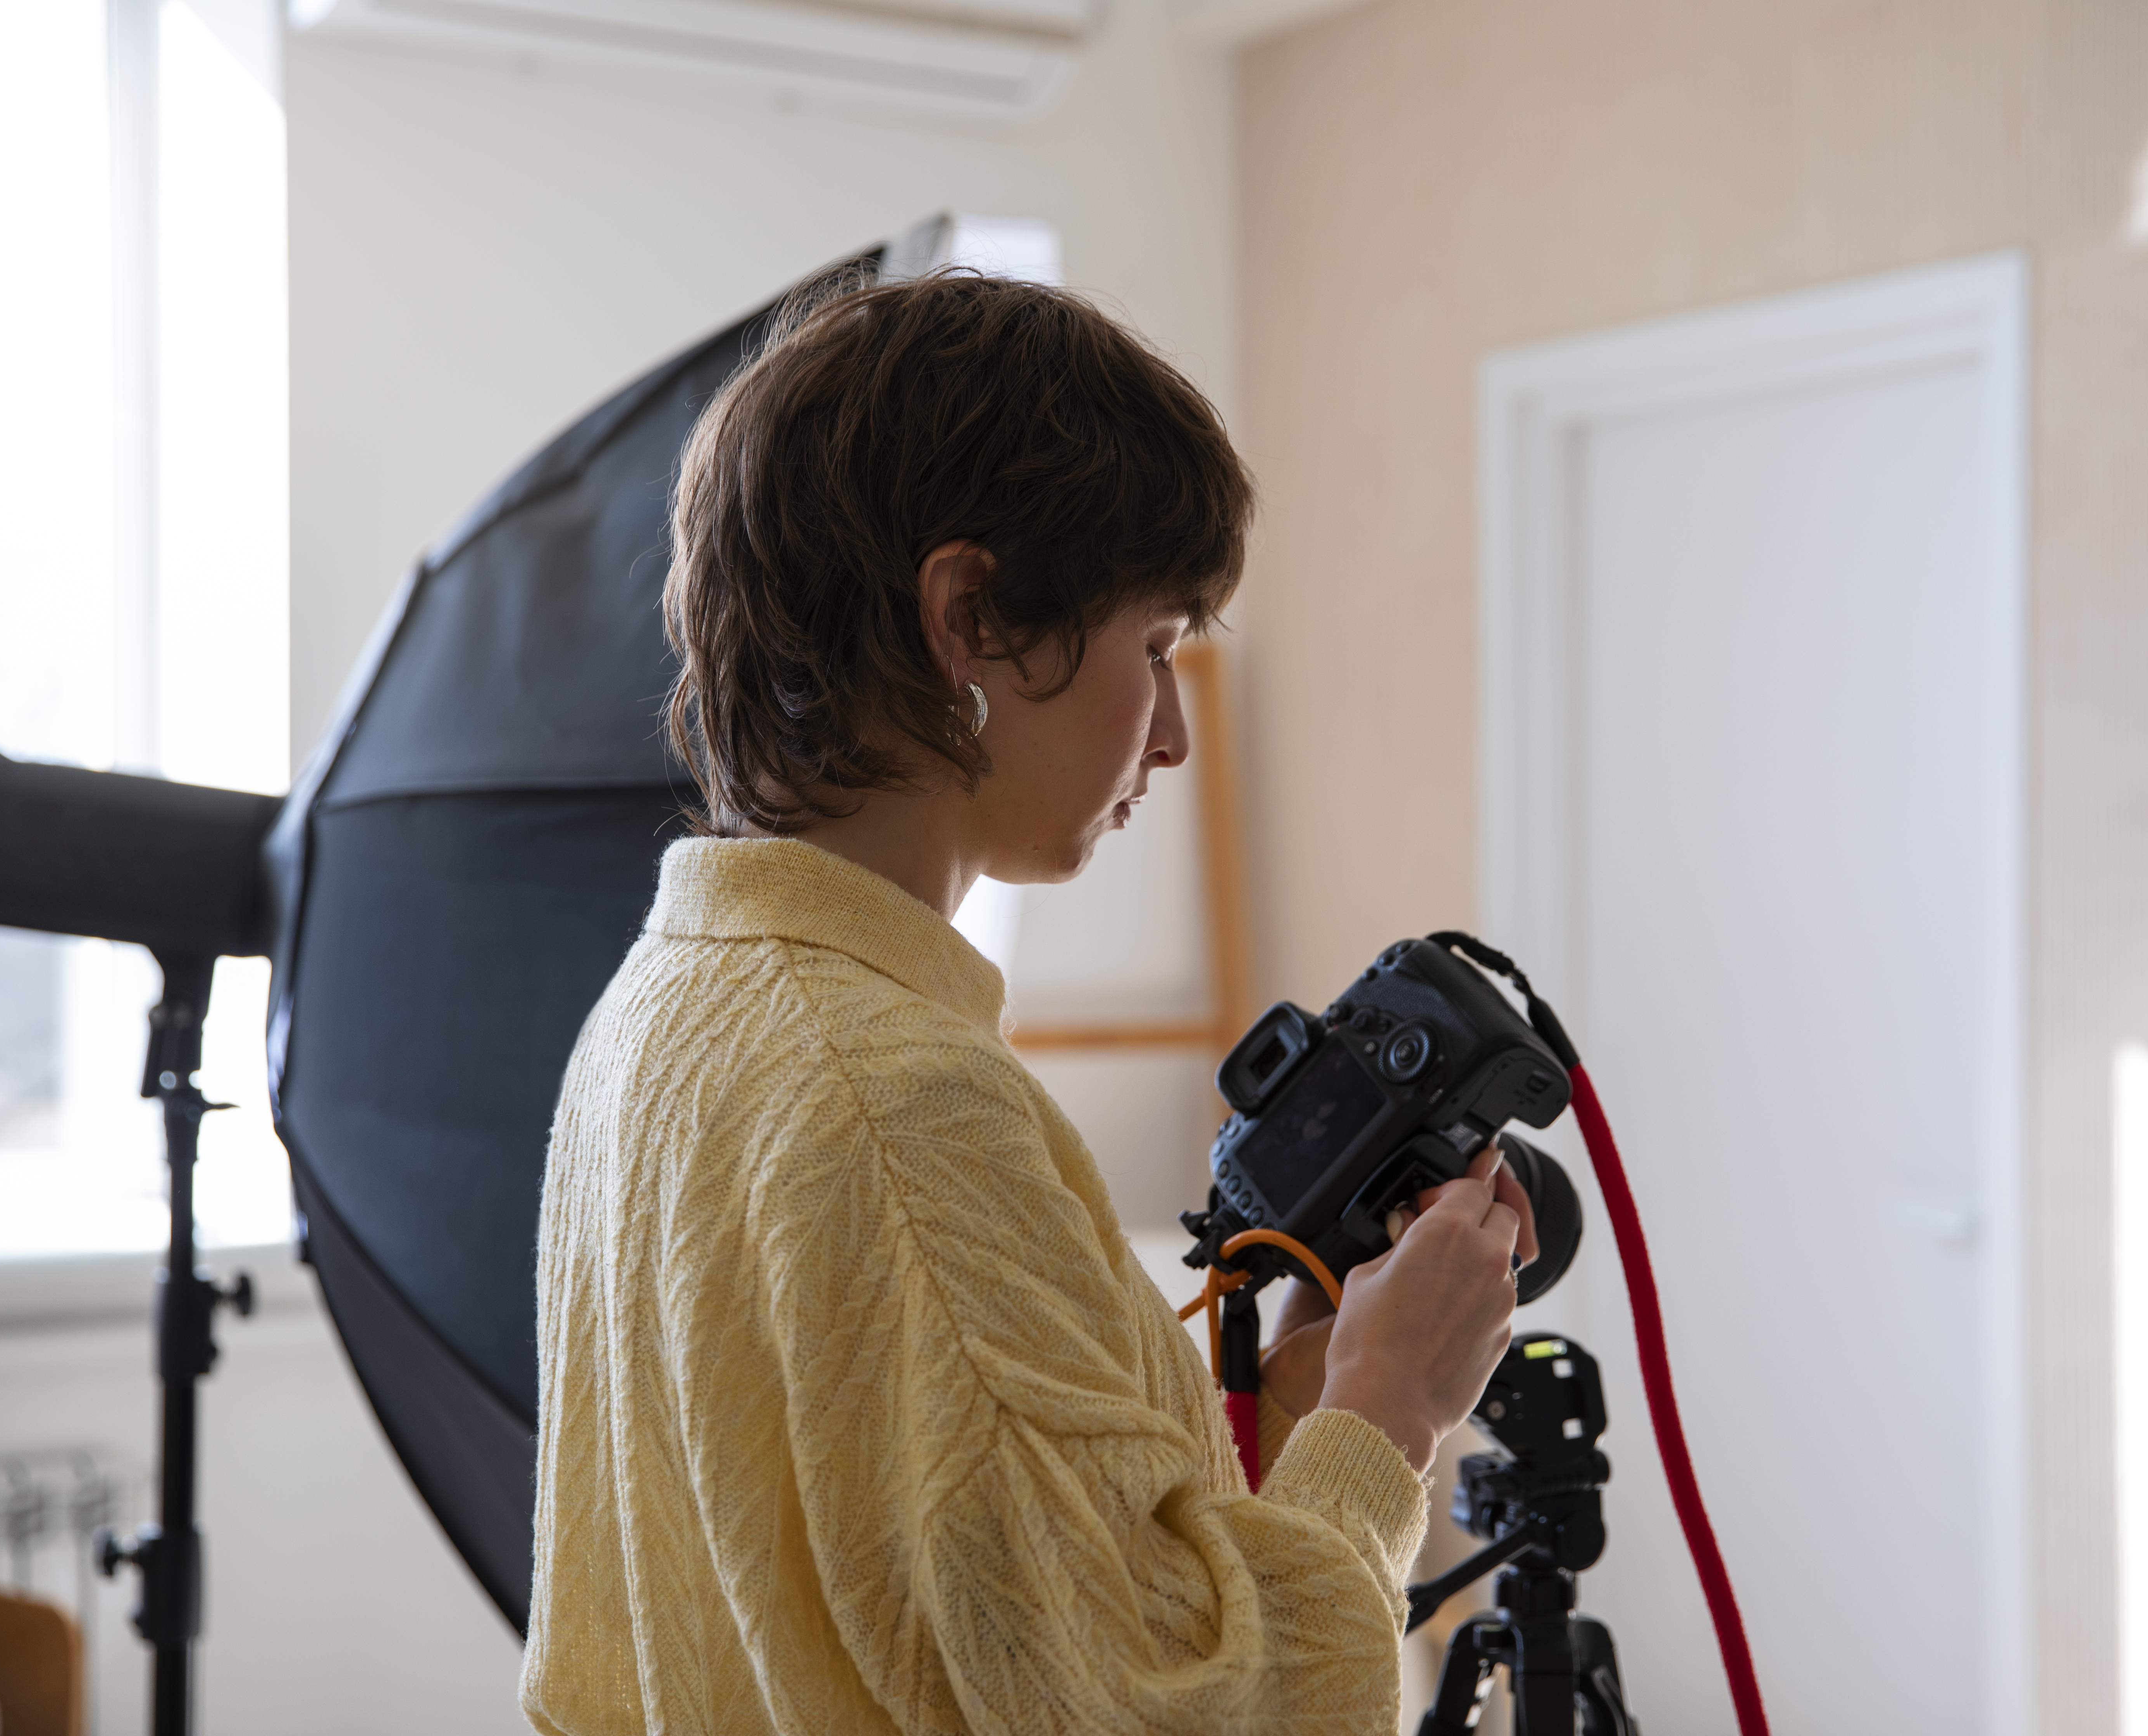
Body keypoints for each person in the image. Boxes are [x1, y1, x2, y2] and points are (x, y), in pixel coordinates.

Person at [521, 269, 1537, 1736]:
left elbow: (933, 1584)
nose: (1175, 734)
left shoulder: (657, 1018)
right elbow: (1182, 1716)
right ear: (972, 618)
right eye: (1157, 647)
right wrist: (1390, 1414)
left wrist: (1273, 1422)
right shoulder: (902, 1109)